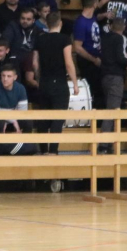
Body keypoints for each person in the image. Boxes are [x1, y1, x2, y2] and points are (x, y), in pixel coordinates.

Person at [33, 11, 77, 154]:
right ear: (60, 23)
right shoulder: (65, 39)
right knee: (58, 118)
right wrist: (75, 83)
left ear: (46, 23)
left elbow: (35, 63)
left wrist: (39, 79)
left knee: (43, 118)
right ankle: (53, 151)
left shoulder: (40, 39)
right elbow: (68, 63)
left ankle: (43, 151)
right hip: (59, 83)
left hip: (44, 82)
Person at [0, 64, 38, 155]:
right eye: (3, 76)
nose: (5, 79)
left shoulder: (20, 88)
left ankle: (25, 146)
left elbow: (22, 113)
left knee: (27, 121)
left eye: (9, 76)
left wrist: (10, 118)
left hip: (12, 120)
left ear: (15, 77)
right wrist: (12, 119)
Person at [99, 17, 127, 139]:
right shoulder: (119, 38)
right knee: (112, 110)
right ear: (124, 27)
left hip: (104, 77)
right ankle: (104, 143)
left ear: (111, 26)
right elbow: (120, 58)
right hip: (115, 78)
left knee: (110, 107)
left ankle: (109, 141)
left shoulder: (105, 37)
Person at [72, 0, 103, 108]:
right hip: (88, 62)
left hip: (97, 60)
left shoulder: (92, 17)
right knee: (92, 92)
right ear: (95, 3)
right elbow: (77, 47)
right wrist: (94, 60)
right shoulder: (81, 22)